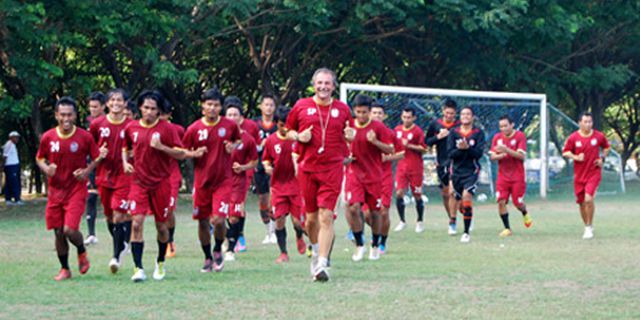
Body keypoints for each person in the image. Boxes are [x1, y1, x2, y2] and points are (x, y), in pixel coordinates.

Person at [285, 67, 354, 282]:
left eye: (327, 83)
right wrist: (299, 135)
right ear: (313, 85)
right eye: (320, 83)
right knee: (311, 219)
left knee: (326, 215)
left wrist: (350, 135)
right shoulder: (301, 106)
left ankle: (323, 263)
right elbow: (287, 132)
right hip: (307, 168)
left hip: (332, 168)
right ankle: (315, 251)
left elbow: (349, 132)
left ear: (333, 86)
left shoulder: (342, 109)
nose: (323, 87)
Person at [35, 96, 107, 281]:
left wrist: (86, 171)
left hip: (76, 189)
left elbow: (98, 157)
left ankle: (82, 251)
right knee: (58, 232)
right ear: (56, 115)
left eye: (70, 115)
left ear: (75, 115)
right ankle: (65, 269)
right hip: (55, 191)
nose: (66, 119)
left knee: (69, 229)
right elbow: (40, 158)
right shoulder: (48, 137)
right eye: (62, 115)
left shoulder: (84, 136)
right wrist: (46, 168)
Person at [122, 90, 187, 282]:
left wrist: (161, 148)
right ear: (140, 108)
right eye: (146, 108)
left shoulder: (167, 129)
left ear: (159, 111)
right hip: (138, 183)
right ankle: (138, 268)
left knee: (161, 227)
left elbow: (181, 153)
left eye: (153, 109)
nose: (149, 112)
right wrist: (125, 162)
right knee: (136, 223)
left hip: (161, 184)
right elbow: (125, 147)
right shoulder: (131, 128)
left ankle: (160, 262)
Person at [182, 87, 240, 273]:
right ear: (203, 107)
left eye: (216, 105)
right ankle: (207, 256)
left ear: (220, 107)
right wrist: (193, 153)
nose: (212, 108)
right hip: (202, 183)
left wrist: (233, 146)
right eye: (209, 104)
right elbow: (183, 152)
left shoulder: (229, 126)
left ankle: (217, 249)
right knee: (203, 222)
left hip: (223, 181)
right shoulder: (194, 129)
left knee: (219, 219)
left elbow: (237, 140)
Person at [89, 89, 134, 273]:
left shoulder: (132, 125)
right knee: (109, 217)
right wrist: (98, 154)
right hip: (104, 175)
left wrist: (133, 154)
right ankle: (122, 243)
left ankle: (115, 256)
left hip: (125, 175)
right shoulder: (97, 125)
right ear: (107, 104)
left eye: (119, 100)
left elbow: (139, 146)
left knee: (119, 215)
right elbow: (89, 148)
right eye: (112, 100)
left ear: (125, 104)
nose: (116, 103)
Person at [344, 94, 394, 261]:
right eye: (358, 112)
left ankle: (375, 244)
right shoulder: (349, 127)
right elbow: (340, 148)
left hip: (374, 176)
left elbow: (390, 150)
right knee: (353, 207)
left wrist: (375, 142)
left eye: (365, 112)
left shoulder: (378, 128)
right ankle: (359, 245)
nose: (362, 115)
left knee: (375, 213)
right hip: (354, 174)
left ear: (370, 111)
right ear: (354, 111)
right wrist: (345, 155)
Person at [263, 107, 308, 263]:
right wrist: (267, 167)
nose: (286, 128)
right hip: (278, 186)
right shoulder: (270, 141)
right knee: (279, 218)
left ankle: (299, 236)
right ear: (277, 124)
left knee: (297, 222)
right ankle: (283, 253)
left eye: (288, 125)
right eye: (282, 125)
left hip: (297, 186)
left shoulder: (298, 140)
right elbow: (266, 159)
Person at [562, 112, 610, 239]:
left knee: (588, 199)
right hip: (579, 176)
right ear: (579, 123)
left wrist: (602, 159)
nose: (588, 124)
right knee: (581, 203)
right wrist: (576, 157)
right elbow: (565, 152)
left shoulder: (598, 136)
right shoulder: (573, 138)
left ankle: (588, 228)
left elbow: (606, 147)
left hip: (593, 172)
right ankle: (587, 225)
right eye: (585, 122)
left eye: (590, 122)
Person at [223, 97, 258, 261]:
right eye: (229, 114)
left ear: (240, 118)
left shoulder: (248, 139)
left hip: (238, 182)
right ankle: (224, 237)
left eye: (235, 114)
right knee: (217, 216)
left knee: (234, 216)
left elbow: (254, 161)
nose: (232, 117)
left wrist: (243, 167)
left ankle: (230, 249)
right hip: (220, 181)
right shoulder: (218, 136)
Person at [368, 101, 404, 254]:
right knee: (364, 213)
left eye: (379, 113)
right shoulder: (361, 131)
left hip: (384, 177)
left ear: (384, 116)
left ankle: (382, 241)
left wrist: (387, 158)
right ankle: (371, 232)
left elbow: (401, 153)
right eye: (374, 113)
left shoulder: (390, 133)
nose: (376, 116)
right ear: (369, 114)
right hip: (365, 178)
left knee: (383, 211)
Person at [489, 115, 533, 237]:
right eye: (501, 126)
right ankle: (507, 228)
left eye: (505, 125)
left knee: (517, 203)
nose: (503, 128)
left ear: (512, 125)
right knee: (501, 201)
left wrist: (506, 150)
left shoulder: (520, 136)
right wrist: (500, 156)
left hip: (517, 177)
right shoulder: (497, 137)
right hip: (502, 177)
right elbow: (492, 156)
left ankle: (524, 212)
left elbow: (521, 156)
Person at [447, 106, 486, 243]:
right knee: (459, 203)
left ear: (472, 117)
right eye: (463, 114)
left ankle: (466, 232)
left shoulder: (478, 133)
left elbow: (478, 154)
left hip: (471, 171)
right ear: (460, 116)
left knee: (466, 196)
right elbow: (450, 154)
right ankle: (463, 216)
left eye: (468, 114)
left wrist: (468, 148)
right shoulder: (453, 133)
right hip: (456, 171)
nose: (465, 116)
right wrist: (460, 149)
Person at [425, 99, 460, 235]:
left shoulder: (459, 125)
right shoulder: (435, 124)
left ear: (455, 113)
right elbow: (427, 141)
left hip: (456, 162)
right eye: (447, 113)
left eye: (451, 113)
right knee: (445, 194)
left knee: (453, 192)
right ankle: (452, 217)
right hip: (441, 163)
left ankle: (453, 220)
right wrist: (438, 137)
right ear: (443, 111)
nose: (449, 116)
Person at [393, 107, 427, 233]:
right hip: (401, 167)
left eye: (409, 117)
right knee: (399, 193)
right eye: (404, 117)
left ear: (414, 118)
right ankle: (402, 221)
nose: (406, 119)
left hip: (415, 167)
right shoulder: (397, 130)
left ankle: (419, 221)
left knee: (417, 195)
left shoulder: (418, 131)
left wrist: (409, 145)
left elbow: (424, 149)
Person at [253, 94, 279, 246]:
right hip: (259, 165)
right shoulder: (255, 125)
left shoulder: (278, 124)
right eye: (266, 104)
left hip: (275, 166)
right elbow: (250, 144)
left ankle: (274, 231)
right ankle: (267, 230)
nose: (268, 107)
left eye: (271, 105)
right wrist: (260, 145)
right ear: (261, 106)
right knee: (263, 199)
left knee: (274, 198)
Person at [159, 109, 185, 259]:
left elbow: (184, 150)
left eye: (164, 113)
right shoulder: (147, 129)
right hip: (154, 175)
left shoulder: (178, 130)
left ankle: (170, 242)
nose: (160, 117)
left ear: (169, 114)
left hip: (171, 175)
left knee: (169, 210)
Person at [83, 92, 106, 245]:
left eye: (95, 107)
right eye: (91, 107)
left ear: (103, 107)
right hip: (93, 164)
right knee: (91, 197)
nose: (92, 109)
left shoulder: (109, 122)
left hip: (108, 164)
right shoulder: (89, 122)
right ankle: (91, 234)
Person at [3, 131, 23, 205]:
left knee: (10, 182)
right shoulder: (9, 145)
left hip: (14, 165)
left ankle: (8, 199)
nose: (17, 139)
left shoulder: (13, 145)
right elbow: (5, 156)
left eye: (18, 137)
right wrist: (2, 166)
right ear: (11, 137)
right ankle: (17, 199)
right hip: (10, 166)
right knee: (14, 183)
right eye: (15, 137)